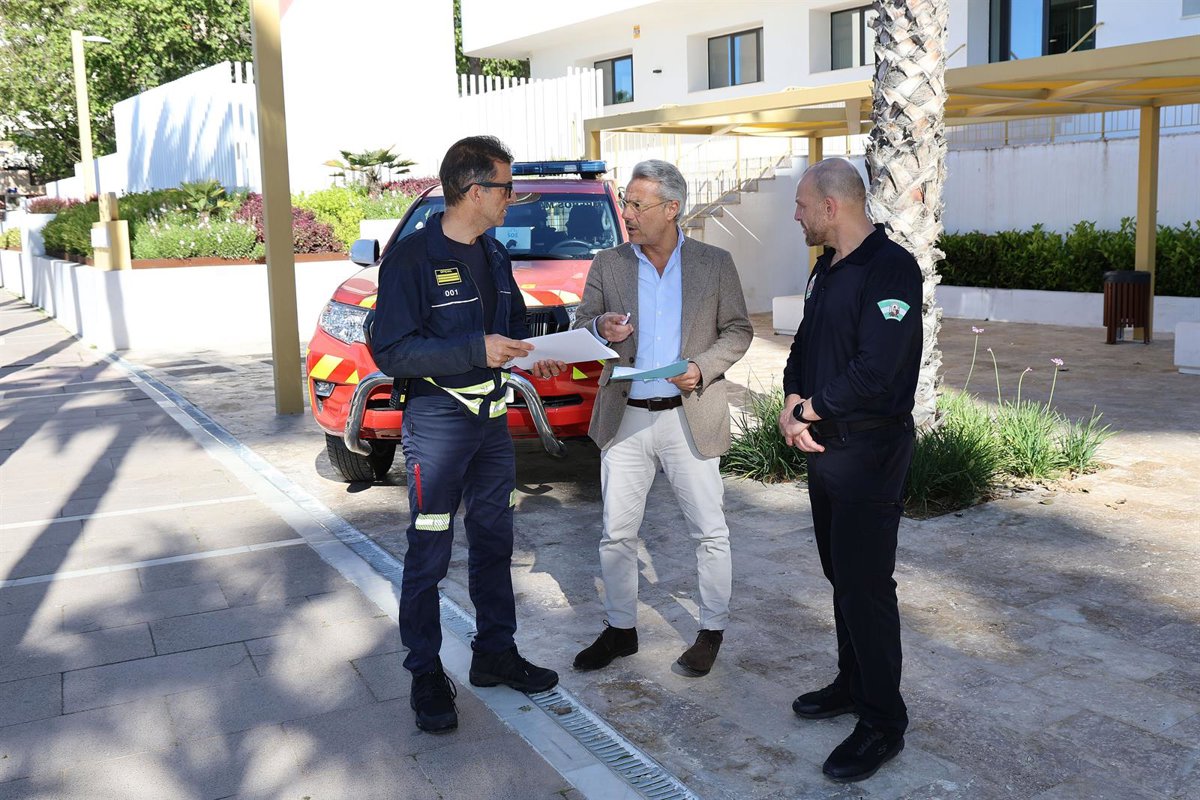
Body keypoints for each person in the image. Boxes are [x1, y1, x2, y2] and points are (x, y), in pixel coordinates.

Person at [371, 135, 565, 733]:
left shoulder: (494, 254)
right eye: (506, 188)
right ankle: (426, 672)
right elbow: (391, 351)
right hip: (438, 423)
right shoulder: (411, 259)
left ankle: (495, 653)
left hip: (491, 424)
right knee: (430, 549)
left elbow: (512, 328)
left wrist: (539, 355)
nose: (512, 198)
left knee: (494, 540)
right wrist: (474, 349)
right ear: (475, 190)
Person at [572, 159, 752, 678]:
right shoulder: (608, 263)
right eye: (626, 202)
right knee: (616, 533)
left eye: (636, 204)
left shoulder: (714, 263)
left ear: (672, 209)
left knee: (710, 532)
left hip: (688, 416)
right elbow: (583, 323)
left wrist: (702, 368)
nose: (627, 213)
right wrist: (602, 328)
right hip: (625, 416)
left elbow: (738, 330)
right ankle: (620, 629)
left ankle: (710, 631)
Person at [779, 157, 922, 782]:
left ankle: (883, 721)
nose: (797, 215)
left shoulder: (891, 268)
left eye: (802, 205)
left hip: (870, 452)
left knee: (866, 586)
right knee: (841, 575)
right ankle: (852, 681)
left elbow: (878, 370)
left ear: (831, 206)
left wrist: (809, 410)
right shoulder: (826, 267)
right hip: (826, 450)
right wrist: (792, 400)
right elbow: (804, 345)